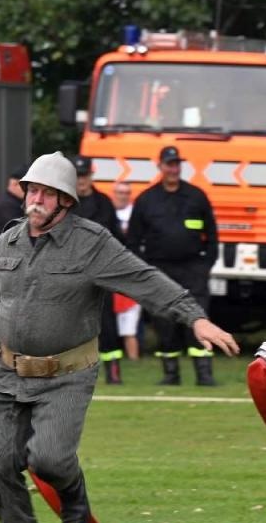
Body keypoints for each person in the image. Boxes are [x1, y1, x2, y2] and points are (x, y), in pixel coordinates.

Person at [0, 152, 241, 523]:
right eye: (32, 190)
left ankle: (72, 492)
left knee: (49, 458)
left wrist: (195, 318)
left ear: (66, 201)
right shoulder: (10, 239)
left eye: (47, 193)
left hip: (67, 374)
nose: (36, 199)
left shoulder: (92, 243)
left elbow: (145, 279)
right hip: (8, 373)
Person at [126, 145, 220, 386]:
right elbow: (133, 241)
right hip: (160, 271)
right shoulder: (146, 200)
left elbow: (212, 235)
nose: (173, 169)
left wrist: (204, 266)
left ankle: (204, 375)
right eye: (169, 164)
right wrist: (145, 272)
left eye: (177, 164)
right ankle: (171, 375)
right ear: (160, 166)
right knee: (164, 323)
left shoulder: (196, 196)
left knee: (198, 318)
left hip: (193, 269)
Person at [68, 155, 127, 384]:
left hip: (100, 272)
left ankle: (114, 372)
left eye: (85, 176)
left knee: (107, 324)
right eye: (78, 177)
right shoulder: (64, 204)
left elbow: (116, 238)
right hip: (70, 273)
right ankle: (72, 374)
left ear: (91, 176)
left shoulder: (104, 203)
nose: (81, 181)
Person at [111, 180, 142, 361]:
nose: (123, 196)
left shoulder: (135, 214)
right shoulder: (108, 212)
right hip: (108, 271)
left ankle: (134, 359)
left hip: (130, 272)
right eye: (120, 192)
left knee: (129, 323)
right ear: (114, 194)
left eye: (126, 193)